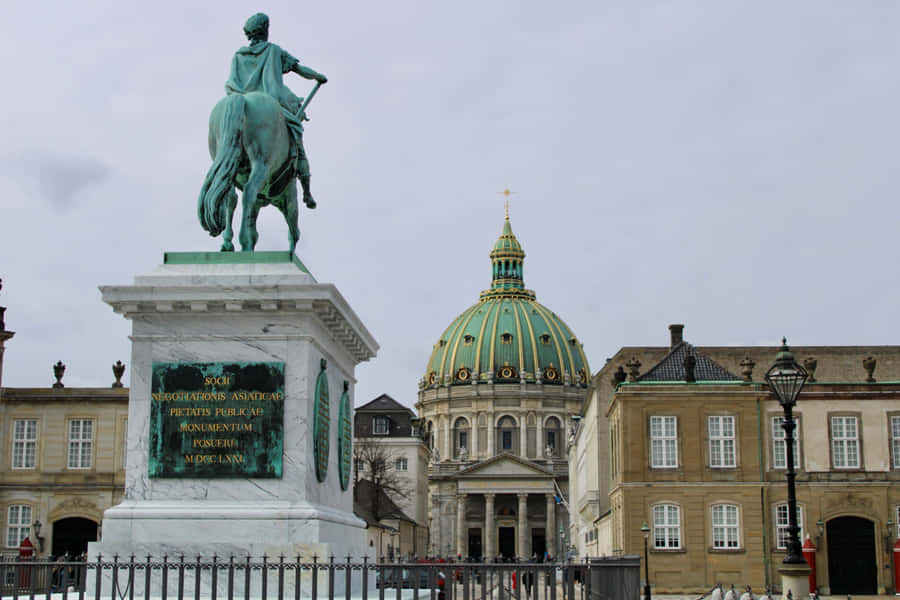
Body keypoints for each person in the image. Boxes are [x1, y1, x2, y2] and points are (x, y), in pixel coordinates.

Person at [226, 13, 327, 209]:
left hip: (238, 100)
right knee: (296, 137)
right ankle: (306, 191)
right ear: (265, 30)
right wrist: (318, 76)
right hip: (270, 104)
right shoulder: (273, 50)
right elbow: (299, 69)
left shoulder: (238, 56)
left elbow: (232, 82)